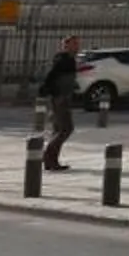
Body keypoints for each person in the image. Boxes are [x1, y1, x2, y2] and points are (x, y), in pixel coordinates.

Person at [38, 36, 82, 171]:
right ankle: (47, 155)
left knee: (58, 130)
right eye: (74, 44)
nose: (77, 47)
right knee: (66, 129)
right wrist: (51, 91)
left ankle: (52, 161)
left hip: (63, 96)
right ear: (66, 45)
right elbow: (52, 76)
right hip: (60, 97)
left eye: (78, 44)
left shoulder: (69, 59)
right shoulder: (63, 59)